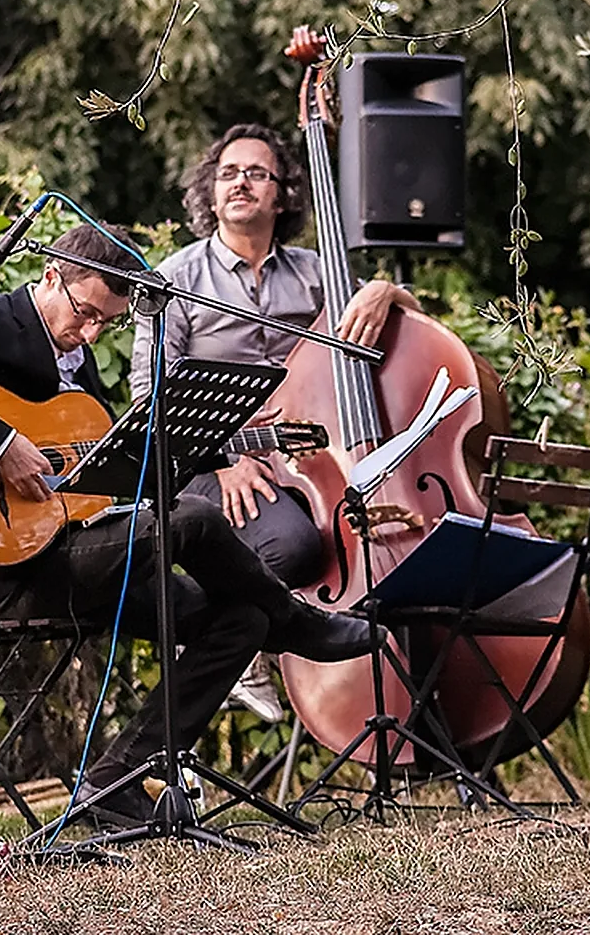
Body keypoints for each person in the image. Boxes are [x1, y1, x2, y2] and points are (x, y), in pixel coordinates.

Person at [0, 223, 373, 828]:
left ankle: (114, 780)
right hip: (9, 564)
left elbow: (109, 462)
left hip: (87, 554)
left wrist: (207, 444)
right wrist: (0, 443)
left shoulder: (79, 361)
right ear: (51, 276)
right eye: (84, 314)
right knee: (194, 517)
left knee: (243, 621)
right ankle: (304, 627)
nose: (89, 332)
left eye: (104, 323)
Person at [129, 123, 419, 720]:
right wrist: (223, 462)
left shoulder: (318, 273)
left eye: (257, 173)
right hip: (215, 453)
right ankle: (226, 638)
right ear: (209, 193)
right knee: (292, 544)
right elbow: (147, 391)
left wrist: (387, 291)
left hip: (309, 455)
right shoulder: (176, 279)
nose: (241, 183)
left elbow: (409, 322)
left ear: (281, 195)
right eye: (229, 173)